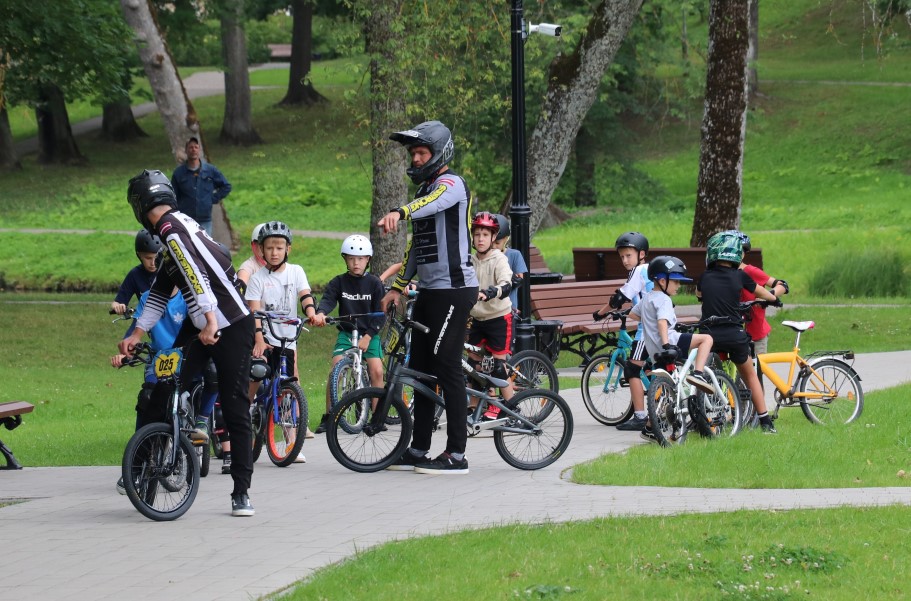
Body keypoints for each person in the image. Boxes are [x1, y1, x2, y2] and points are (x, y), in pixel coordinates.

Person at [121, 169, 256, 517]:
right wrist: (136, 333)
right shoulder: (179, 226)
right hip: (201, 327)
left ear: (139, 205)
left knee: (235, 406)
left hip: (230, 326)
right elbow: (160, 291)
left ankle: (241, 492)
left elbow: (195, 273)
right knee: (163, 387)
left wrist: (210, 319)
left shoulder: (170, 229)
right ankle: (142, 468)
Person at [378, 120, 478, 475]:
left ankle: (457, 454)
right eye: (413, 154)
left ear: (439, 153)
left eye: (421, 152)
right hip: (430, 293)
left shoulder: (452, 185)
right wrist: (397, 287)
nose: (416, 159)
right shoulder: (423, 192)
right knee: (420, 370)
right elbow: (416, 251)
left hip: (456, 291)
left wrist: (400, 211)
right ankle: (419, 448)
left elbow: (434, 202)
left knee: (446, 366)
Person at [697, 231, 782, 433]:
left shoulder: (704, 277)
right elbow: (763, 293)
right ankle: (765, 421)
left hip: (709, 336)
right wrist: (774, 299)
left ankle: (700, 413)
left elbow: (699, 295)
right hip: (734, 335)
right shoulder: (740, 275)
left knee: (703, 371)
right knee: (750, 376)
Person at [245, 220, 316, 463]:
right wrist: (258, 339)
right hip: (264, 338)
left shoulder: (296, 271)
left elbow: (305, 296)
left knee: (288, 388)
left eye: (279, 247)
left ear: (288, 249)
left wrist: (311, 313)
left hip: (287, 338)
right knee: (257, 373)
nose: (274, 252)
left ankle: (290, 442)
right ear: (261, 250)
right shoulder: (257, 278)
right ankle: (245, 413)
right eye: (269, 248)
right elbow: (254, 312)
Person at [110, 285, 187, 494]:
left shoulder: (189, 295)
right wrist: (125, 353)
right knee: (147, 397)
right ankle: (136, 464)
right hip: (160, 360)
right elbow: (137, 330)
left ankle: (201, 425)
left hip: (188, 358)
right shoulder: (148, 298)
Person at [631, 255, 716, 443]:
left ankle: (650, 428)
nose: (678, 286)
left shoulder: (646, 299)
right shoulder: (663, 299)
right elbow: (662, 322)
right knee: (706, 339)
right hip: (669, 342)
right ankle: (699, 374)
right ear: (662, 281)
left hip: (654, 351)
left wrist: (649, 322)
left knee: (667, 390)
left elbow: (632, 314)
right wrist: (666, 343)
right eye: (676, 282)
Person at [310, 234, 386, 434]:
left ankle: (377, 417)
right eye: (351, 258)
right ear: (345, 259)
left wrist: (368, 336)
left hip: (370, 334)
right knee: (335, 367)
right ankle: (329, 416)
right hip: (347, 333)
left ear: (368, 259)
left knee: (377, 370)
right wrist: (321, 313)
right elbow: (328, 300)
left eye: (360, 259)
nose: (356, 263)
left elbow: (381, 314)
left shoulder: (374, 283)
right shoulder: (339, 282)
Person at [592, 232, 653, 432]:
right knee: (651, 367)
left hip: (648, 330)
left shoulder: (639, 270)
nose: (625, 260)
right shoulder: (651, 270)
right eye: (622, 257)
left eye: (628, 255)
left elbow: (619, 298)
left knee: (631, 370)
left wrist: (600, 313)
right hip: (662, 325)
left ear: (641, 254)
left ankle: (640, 417)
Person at [465, 212, 514, 419]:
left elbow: (506, 283)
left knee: (499, 367)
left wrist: (492, 291)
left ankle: (512, 409)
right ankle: (473, 410)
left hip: (498, 318)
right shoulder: (470, 261)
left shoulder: (499, 259)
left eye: (485, 235)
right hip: (477, 319)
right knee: (474, 366)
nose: (480, 239)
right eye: (477, 234)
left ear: (494, 237)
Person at [723, 230, 789, 356]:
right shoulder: (722, 273)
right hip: (732, 331)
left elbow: (783, 285)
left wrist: (767, 296)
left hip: (755, 333)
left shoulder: (751, 271)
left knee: (757, 366)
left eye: (739, 250)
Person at [170, 137, 232, 236]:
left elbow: (226, 186)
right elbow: (172, 195)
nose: (193, 150)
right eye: (191, 147)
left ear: (199, 150)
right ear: (186, 150)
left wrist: (212, 199)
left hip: (205, 220)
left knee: (205, 244)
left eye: (196, 147)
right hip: (186, 220)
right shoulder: (179, 173)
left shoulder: (210, 170)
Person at [110, 229, 161, 315]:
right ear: (139, 255)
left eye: (156, 258)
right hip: (144, 318)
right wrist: (118, 306)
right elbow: (117, 302)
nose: (153, 263)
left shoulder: (169, 273)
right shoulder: (135, 274)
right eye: (148, 258)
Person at [491, 213, 527, 317]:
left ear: (506, 239)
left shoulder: (514, 255)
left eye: (497, 243)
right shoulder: (482, 257)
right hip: (489, 309)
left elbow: (519, 280)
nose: (494, 246)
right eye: (491, 242)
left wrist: (506, 277)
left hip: (508, 309)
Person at [237, 223, 267, 291]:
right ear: (254, 245)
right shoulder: (248, 267)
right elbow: (241, 285)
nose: (267, 249)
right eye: (262, 245)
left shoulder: (280, 266)